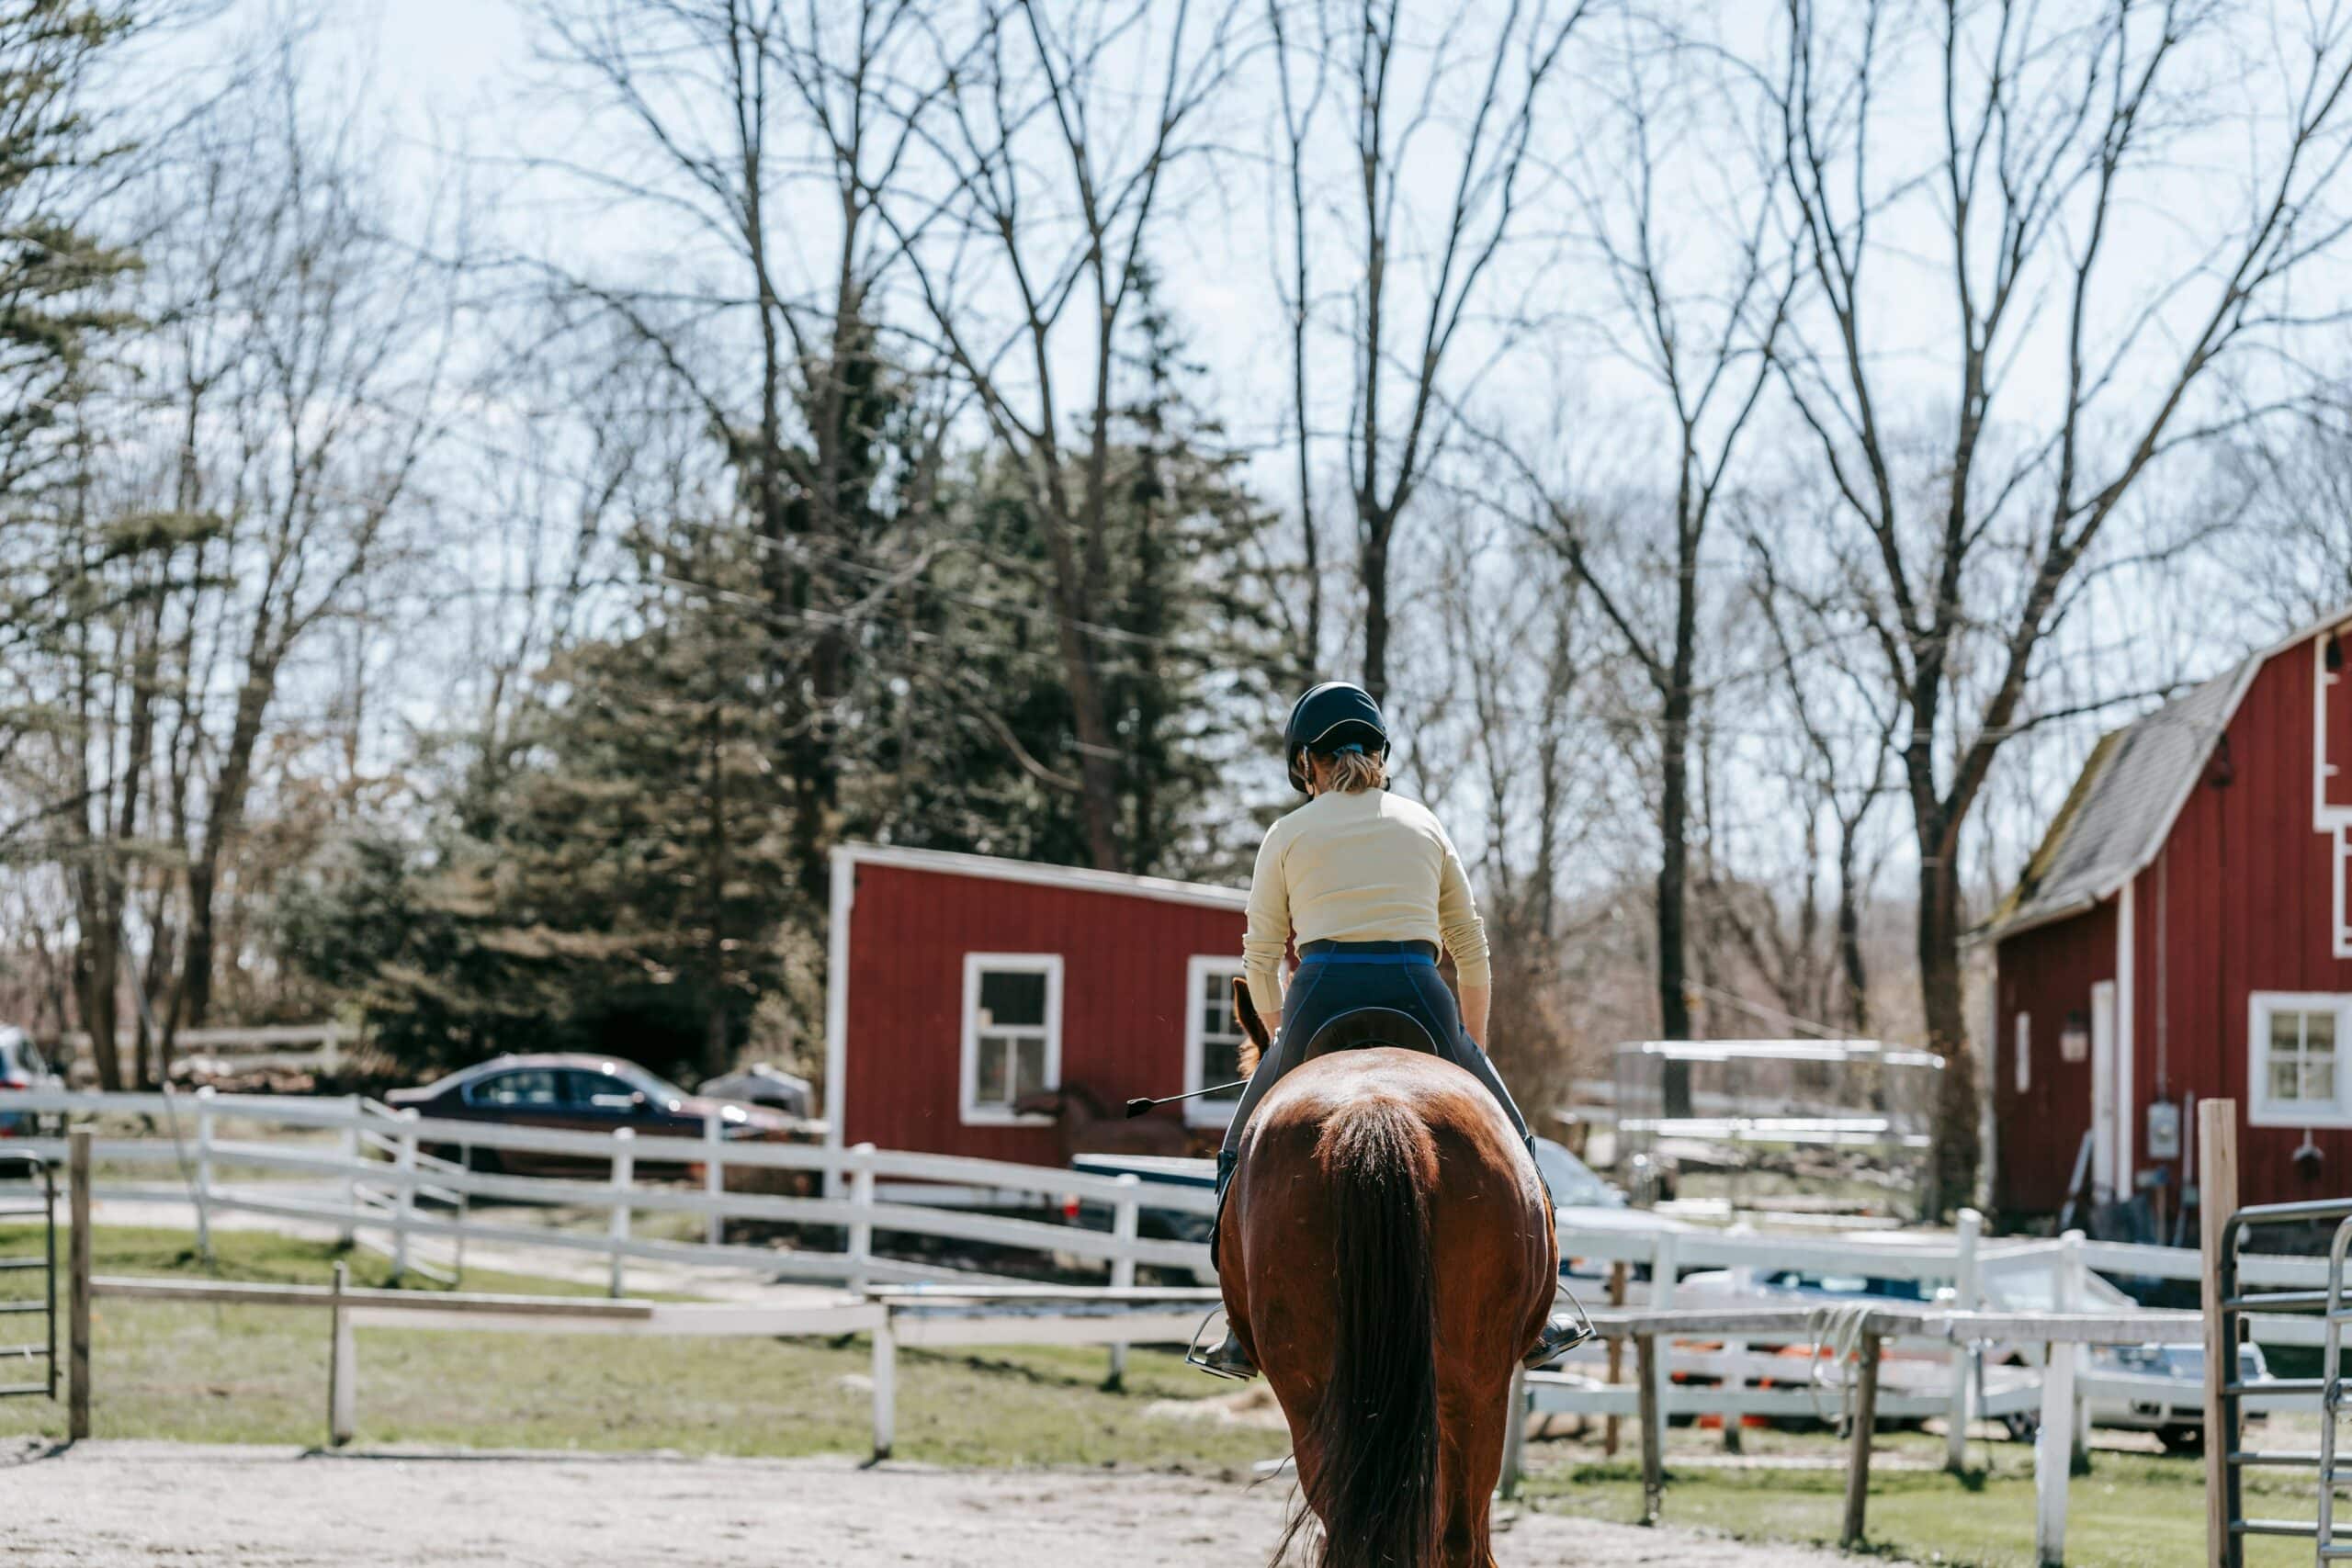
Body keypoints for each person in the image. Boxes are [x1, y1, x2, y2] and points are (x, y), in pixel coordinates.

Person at [1197, 680, 1587, 1379]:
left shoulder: (1288, 833)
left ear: (1304, 764)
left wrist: (1285, 1040)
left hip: (1318, 992)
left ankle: (1234, 1323)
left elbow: (1259, 955)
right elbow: (1470, 945)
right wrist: (1472, 1042)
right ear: (1379, 753)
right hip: (1418, 987)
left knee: (1240, 1146)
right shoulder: (1424, 823)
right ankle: (1548, 1302)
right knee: (1514, 1139)